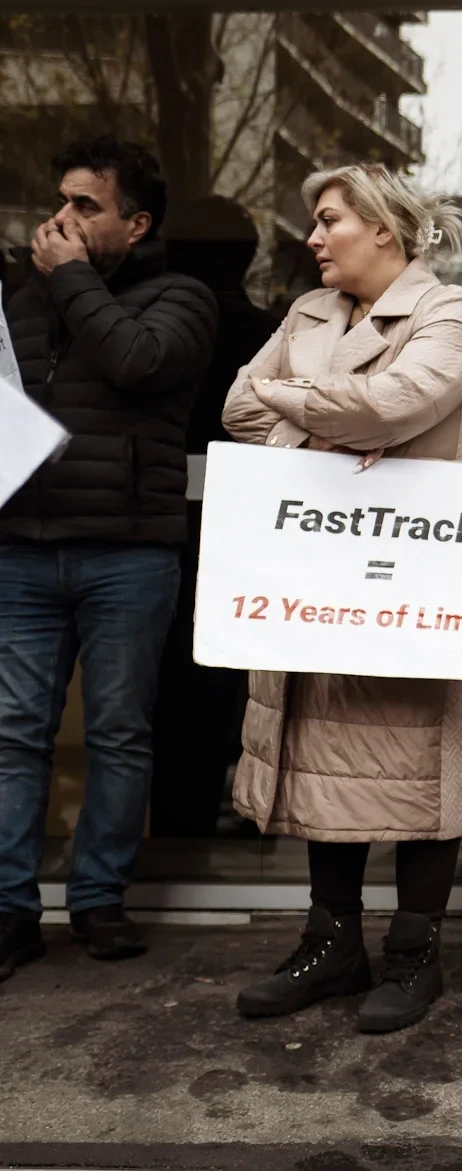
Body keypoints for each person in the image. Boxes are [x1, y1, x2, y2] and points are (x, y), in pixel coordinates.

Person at [220, 165, 462, 1034]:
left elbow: (397, 403)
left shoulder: (452, 312)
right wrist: (333, 426)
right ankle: (332, 944)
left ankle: (417, 955)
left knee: (414, 757)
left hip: (411, 573)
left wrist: (319, 415)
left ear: (384, 227)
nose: (312, 236)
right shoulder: (306, 313)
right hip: (317, 564)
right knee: (322, 751)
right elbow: (235, 408)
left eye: (328, 219)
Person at [0, 137, 218, 983]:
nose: (61, 219)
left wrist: (68, 280)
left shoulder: (182, 297)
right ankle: (11, 910)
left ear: (136, 222)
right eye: (61, 200)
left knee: (120, 733)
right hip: (21, 549)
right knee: (15, 736)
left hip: (129, 552)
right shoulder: (25, 299)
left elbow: (139, 361)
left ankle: (98, 899)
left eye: (85, 206)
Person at [152, 196, 280, 838]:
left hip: (160, 522)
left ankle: (179, 821)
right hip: (248, 528)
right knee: (229, 670)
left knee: (166, 676)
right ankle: (224, 807)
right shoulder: (269, 334)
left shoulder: (157, 326)